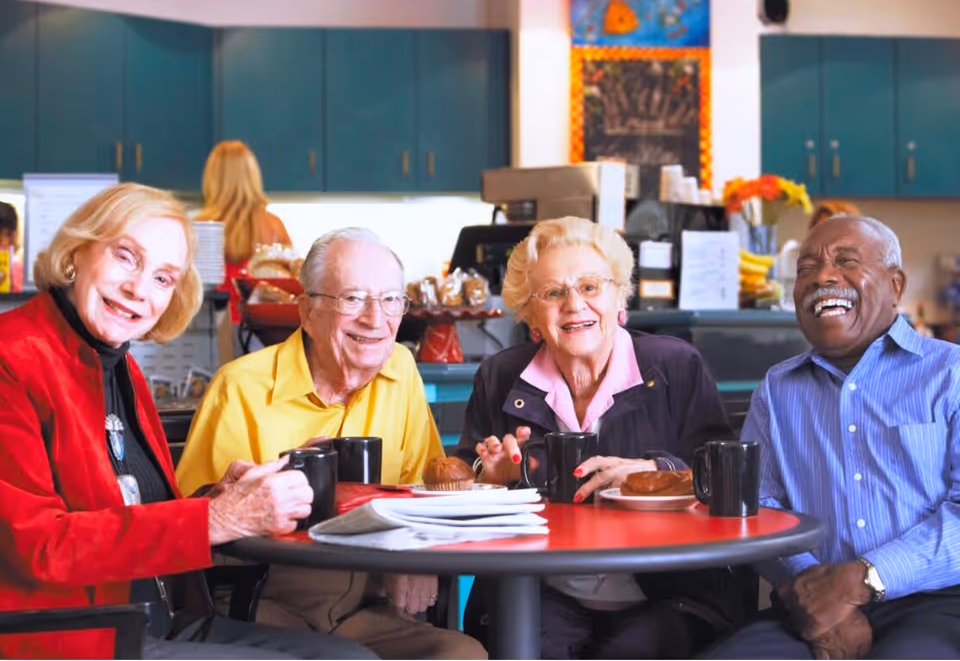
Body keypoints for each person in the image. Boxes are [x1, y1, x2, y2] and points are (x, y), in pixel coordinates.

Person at [0, 183, 375, 660]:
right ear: (77, 251)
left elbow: (125, 508)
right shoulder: (11, 358)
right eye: (125, 257)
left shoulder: (119, 366)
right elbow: (40, 547)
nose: (139, 289)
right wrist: (214, 519)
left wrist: (220, 499)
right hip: (72, 638)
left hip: (152, 622)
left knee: (350, 657)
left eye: (163, 278)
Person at [176, 227, 486, 661]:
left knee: (461, 654)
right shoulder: (241, 387)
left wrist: (419, 558)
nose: (375, 319)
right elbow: (193, 532)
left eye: (391, 300)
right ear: (307, 311)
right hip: (265, 602)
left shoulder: (400, 368)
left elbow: (424, 490)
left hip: (369, 604)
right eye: (353, 298)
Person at [453, 216, 741, 659]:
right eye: (553, 292)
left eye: (590, 287)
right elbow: (462, 482)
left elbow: (727, 482)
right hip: (540, 589)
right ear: (531, 315)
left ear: (618, 297)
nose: (574, 305)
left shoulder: (675, 366)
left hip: (667, 594)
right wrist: (488, 480)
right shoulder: (500, 376)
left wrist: (657, 472)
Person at [703, 215, 960, 659]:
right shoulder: (777, 389)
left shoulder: (950, 373)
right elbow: (757, 508)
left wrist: (864, 578)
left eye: (846, 260)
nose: (823, 277)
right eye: (807, 268)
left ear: (895, 286)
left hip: (937, 602)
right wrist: (814, 594)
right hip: (808, 603)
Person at [195, 140, 292, 325]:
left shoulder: (202, 227)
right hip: (260, 330)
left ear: (212, 178)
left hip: (212, 329)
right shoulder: (274, 226)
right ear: (253, 176)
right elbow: (290, 289)